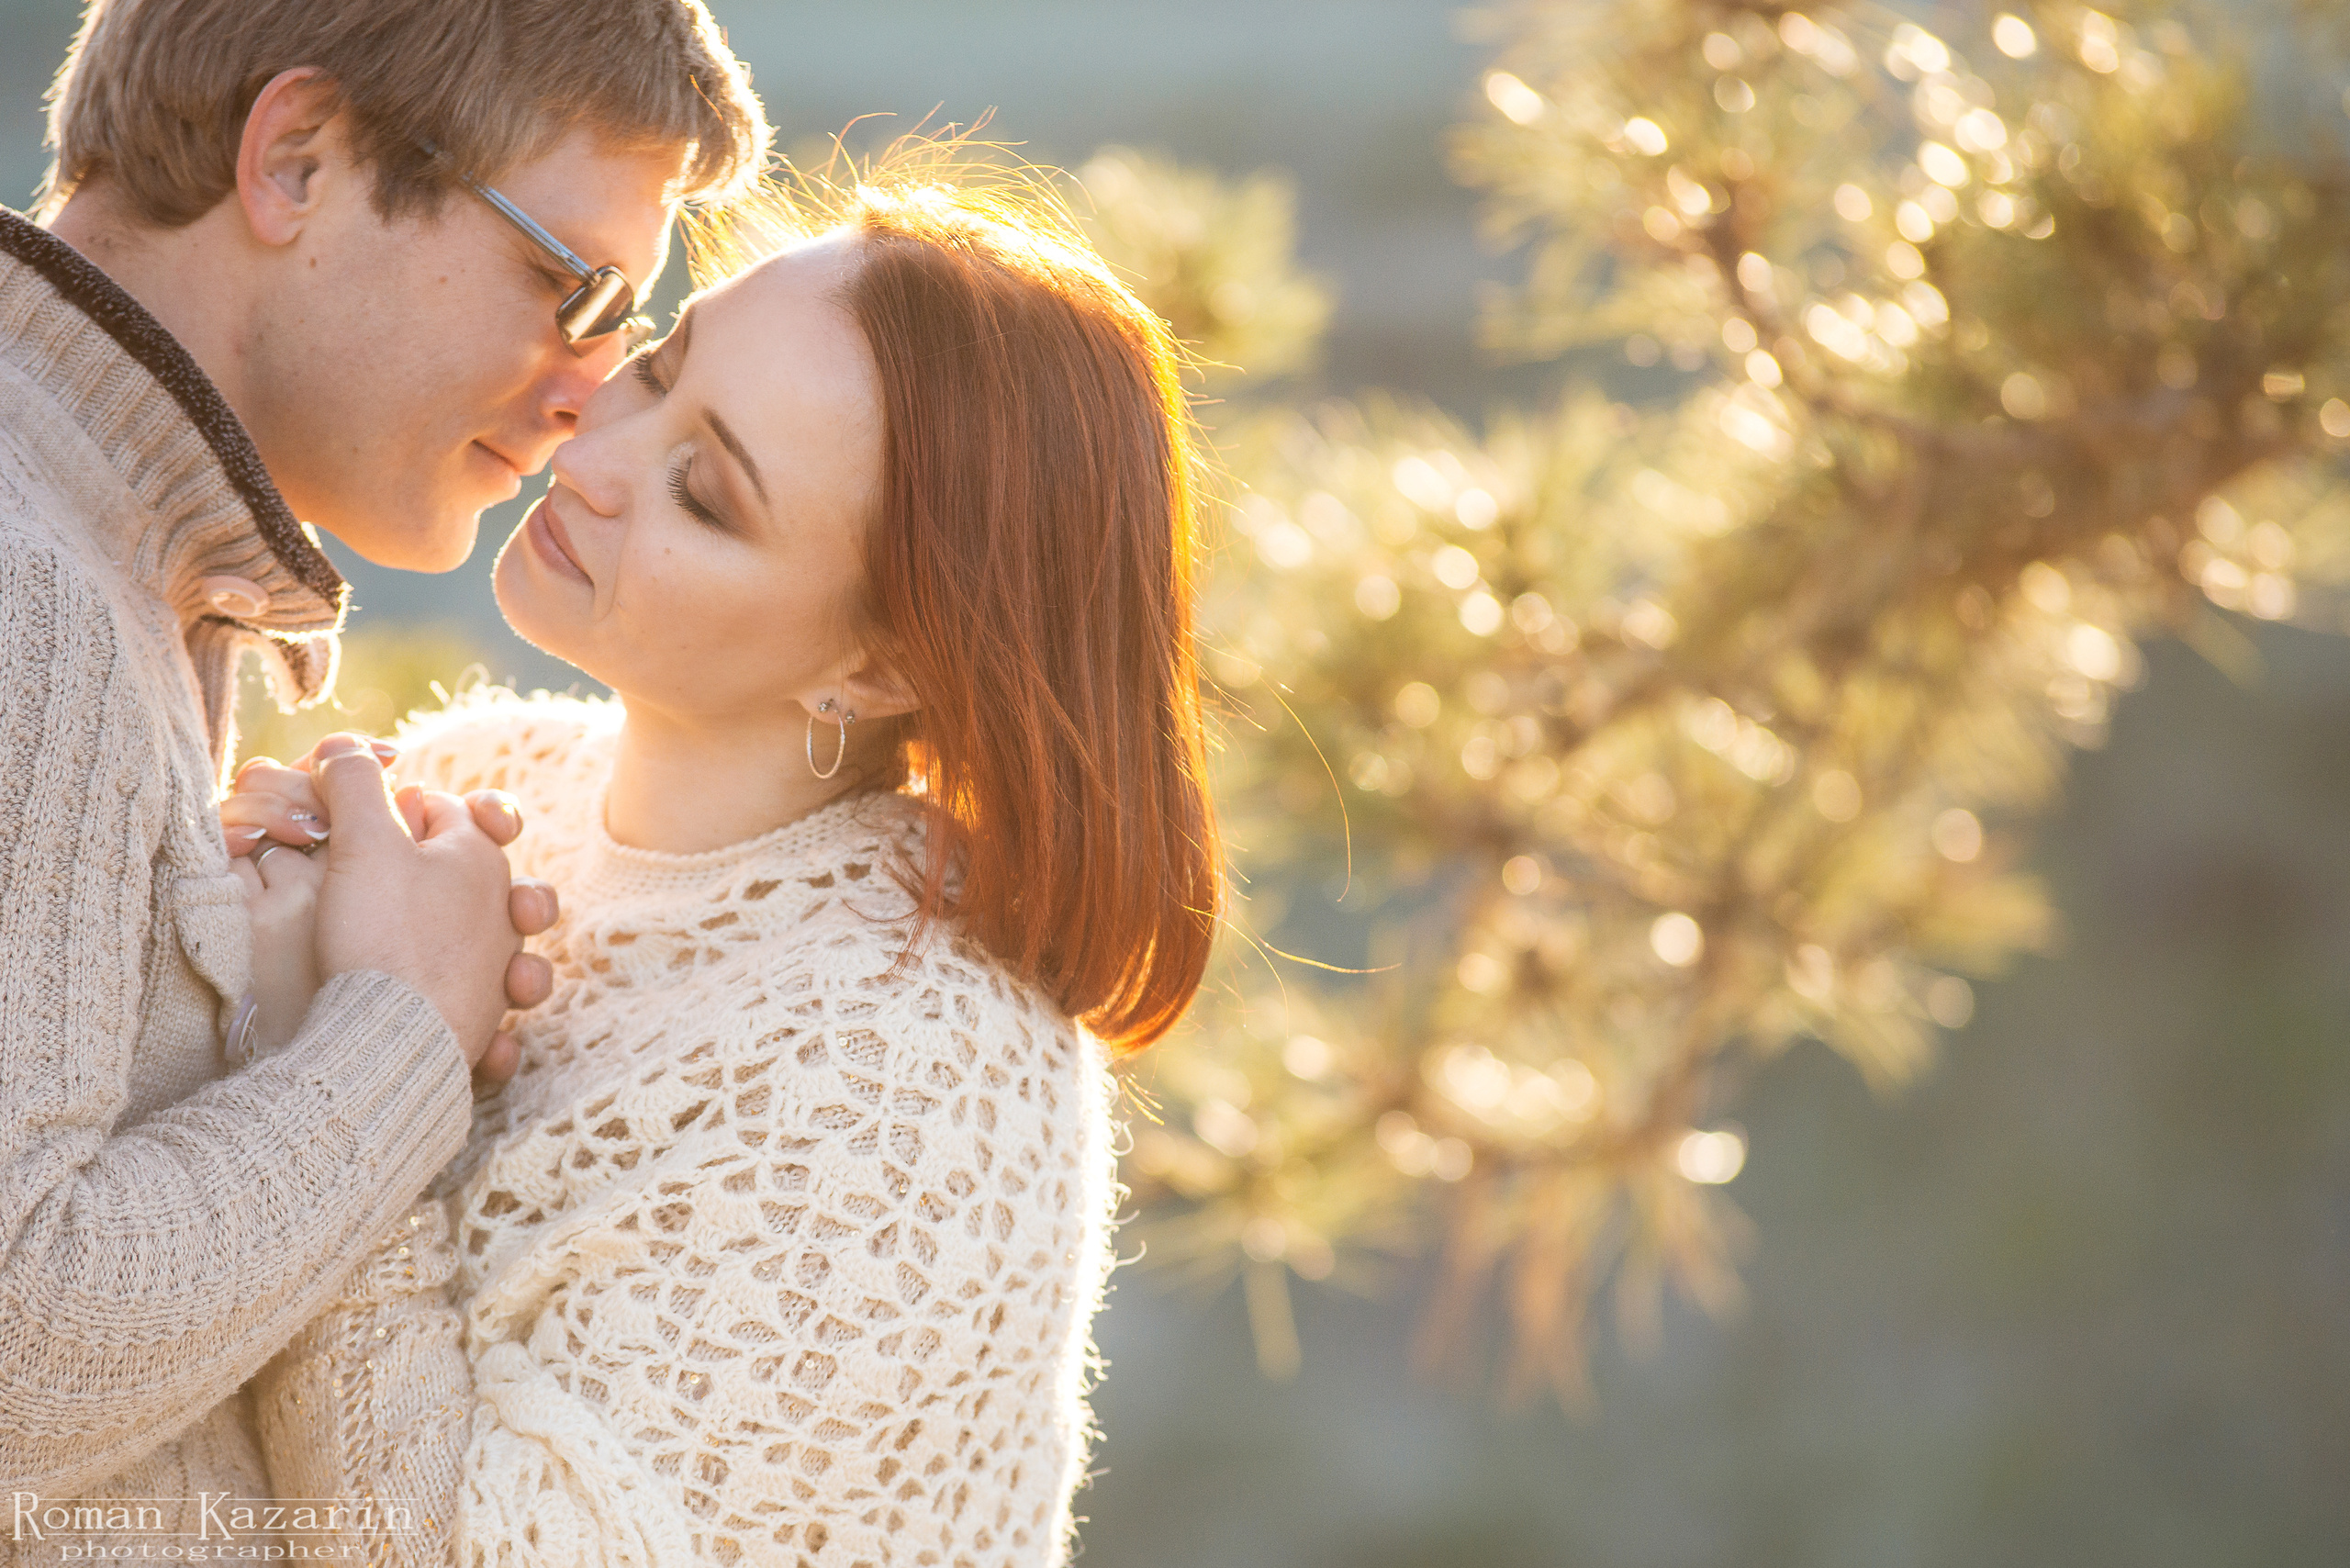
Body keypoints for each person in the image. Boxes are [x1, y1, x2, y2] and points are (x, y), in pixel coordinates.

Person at [224, 157, 1221, 1565]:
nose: (586, 447)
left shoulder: (917, 1078)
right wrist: (239, 918)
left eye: (703, 492)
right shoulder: (487, 776)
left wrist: (352, 1056)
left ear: (872, 667)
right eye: (658, 367)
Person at [0, 0, 767, 1551]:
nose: (580, 396)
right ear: (295, 158)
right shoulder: (37, 591)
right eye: (570, 284)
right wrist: (400, 1028)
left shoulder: (107, 573)